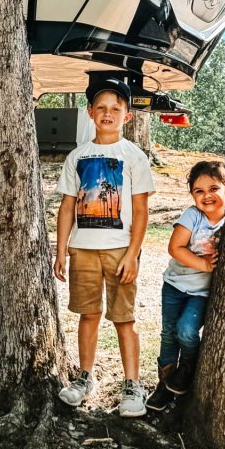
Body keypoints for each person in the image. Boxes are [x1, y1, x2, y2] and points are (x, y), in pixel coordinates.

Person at [52, 78, 155, 418]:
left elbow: (141, 211)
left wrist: (132, 254)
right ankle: (84, 377)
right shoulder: (77, 156)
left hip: (119, 249)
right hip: (83, 248)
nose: (108, 114)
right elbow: (67, 207)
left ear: (127, 116)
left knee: (124, 318)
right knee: (88, 314)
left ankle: (132, 384)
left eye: (116, 109)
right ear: (90, 113)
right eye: (102, 108)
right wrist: (61, 250)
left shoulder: (134, 157)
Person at [146, 160, 225, 411]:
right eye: (199, 191)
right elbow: (175, 247)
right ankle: (164, 384)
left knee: (186, 330)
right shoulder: (192, 216)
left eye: (214, 188)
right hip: (174, 285)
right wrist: (203, 265)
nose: (207, 196)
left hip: (201, 292)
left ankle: (188, 368)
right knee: (168, 334)